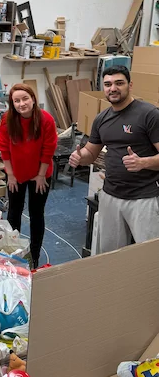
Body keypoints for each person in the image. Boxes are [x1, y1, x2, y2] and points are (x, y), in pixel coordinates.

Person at [69, 66, 159, 253]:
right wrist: (80, 157)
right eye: (108, 84)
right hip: (111, 195)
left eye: (119, 83)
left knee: (150, 255)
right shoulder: (101, 119)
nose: (113, 88)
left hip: (143, 198)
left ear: (130, 85)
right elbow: (91, 153)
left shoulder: (149, 114)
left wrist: (143, 163)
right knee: (110, 255)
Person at [0, 83, 58, 268]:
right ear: (12, 103)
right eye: (17, 101)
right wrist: (10, 175)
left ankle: (35, 255)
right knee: (13, 212)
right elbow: (4, 148)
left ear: (33, 99)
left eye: (25, 99)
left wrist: (40, 175)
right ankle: (13, 252)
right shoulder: (7, 119)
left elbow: (49, 149)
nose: (21, 104)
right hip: (16, 174)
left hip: (40, 174)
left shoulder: (46, 120)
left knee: (36, 214)